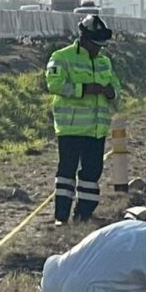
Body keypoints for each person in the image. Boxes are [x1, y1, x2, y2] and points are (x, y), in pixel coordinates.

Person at [45, 14, 123, 226]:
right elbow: (54, 84)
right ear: (84, 38)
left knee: (92, 173)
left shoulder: (104, 62)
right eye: (96, 45)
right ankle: (61, 216)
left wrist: (110, 94)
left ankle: (83, 216)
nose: (99, 49)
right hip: (71, 128)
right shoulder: (62, 57)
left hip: (97, 130)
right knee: (66, 173)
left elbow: (117, 90)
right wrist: (85, 89)